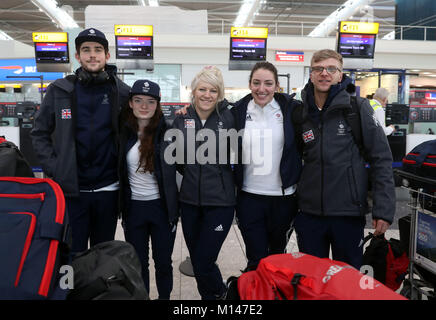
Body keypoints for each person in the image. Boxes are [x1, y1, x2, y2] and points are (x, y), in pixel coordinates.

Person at [30, 28, 131, 255]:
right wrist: (57, 169)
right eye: (86, 50)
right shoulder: (59, 91)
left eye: (98, 50)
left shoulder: (121, 93)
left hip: (108, 190)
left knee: (102, 256)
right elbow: (39, 133)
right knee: (71, 255)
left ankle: (97, 293)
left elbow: (146, 123)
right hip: (72, 192)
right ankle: (70, 292)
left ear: (107, 55)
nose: (92, 55)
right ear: (77, 56)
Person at [293, 49, 396, 269]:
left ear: (340, 75)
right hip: (309, 215)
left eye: (332, 69)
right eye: (318, 69)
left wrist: (383, 210)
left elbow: (381, 159)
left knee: (347, 280)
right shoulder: (301, 113)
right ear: (310, 74)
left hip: (347, 214)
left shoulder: (357, 109)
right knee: (311, 280)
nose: (324, 73)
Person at [169, 66, 235, 300]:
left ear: (220, 94)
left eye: (213, 90)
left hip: (220, 203)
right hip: (189, 203)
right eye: (202, 89)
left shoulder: (229, 117)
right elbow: (175, 159)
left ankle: (221, 295)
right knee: (198, 261)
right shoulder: (181, 118)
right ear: (193, 92)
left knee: (205, 259)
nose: (207, 95)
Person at [232, 62, 301, 271]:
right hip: (249, 197)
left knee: (277, 257)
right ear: (250, 84)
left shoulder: (291, 110)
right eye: (256, 83)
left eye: (268, 83)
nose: (262, 89)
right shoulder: (237, 111)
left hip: (284, 198)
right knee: (256, 258)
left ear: (277, 85)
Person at [119, 79, 178, 300]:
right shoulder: (123, 133)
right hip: (134, 209)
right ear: (131, 104)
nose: (144, 106)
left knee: (163, 262)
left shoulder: (168, 133)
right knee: (138, 263)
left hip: (161, 208)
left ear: (157, 105)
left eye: (150, 101)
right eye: (139, 100)